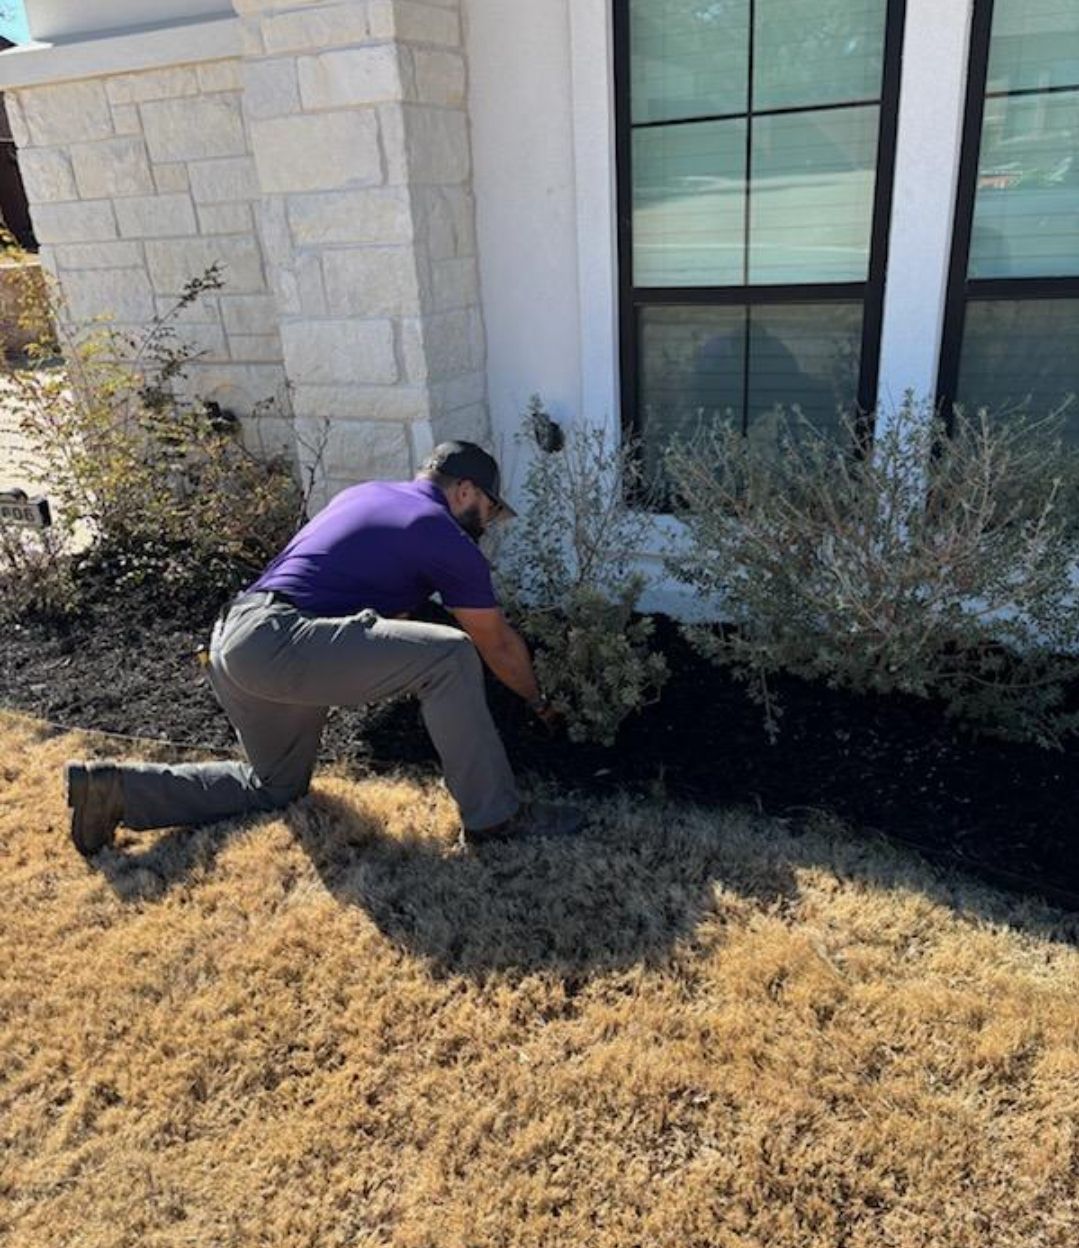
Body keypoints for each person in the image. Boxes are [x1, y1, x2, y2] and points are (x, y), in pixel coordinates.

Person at [64, 441, 586, 856]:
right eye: (490, 510)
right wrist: (539, 703)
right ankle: (495, 818)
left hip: (235, 637)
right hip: (281, 642)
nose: (489, 524)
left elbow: (372, 612)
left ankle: (114, 791)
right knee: (451, 655)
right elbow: (494, 642)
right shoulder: (441, 533)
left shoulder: (365, 496)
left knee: (274, 787)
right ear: (466, 491)